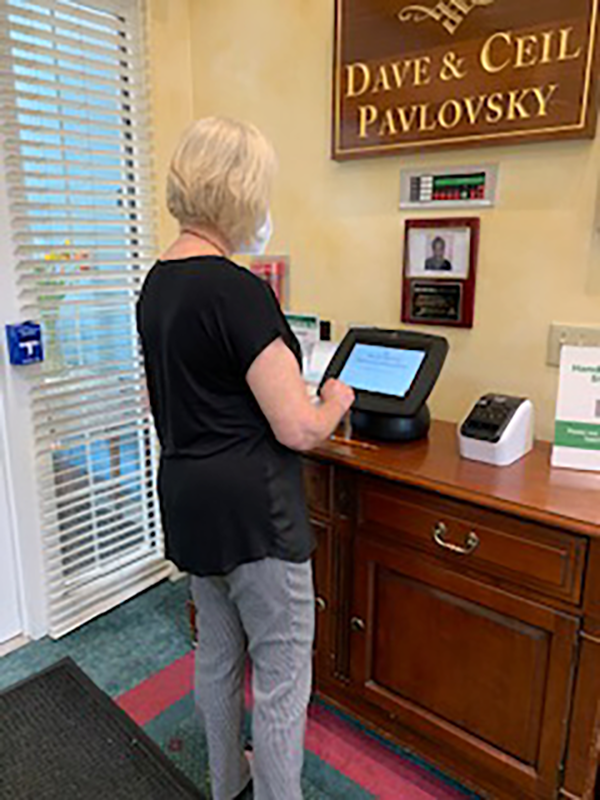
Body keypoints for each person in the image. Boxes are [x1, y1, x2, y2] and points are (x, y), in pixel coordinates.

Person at [136, 117, 354, 800]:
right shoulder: (239, 290)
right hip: (256, 514)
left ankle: (228, 783)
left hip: (190, 501)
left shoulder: (157, 284)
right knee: (285, 673)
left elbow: (158, 398)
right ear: (240, 192)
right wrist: (337, 399)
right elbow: (296, 427)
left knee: (220, 653)